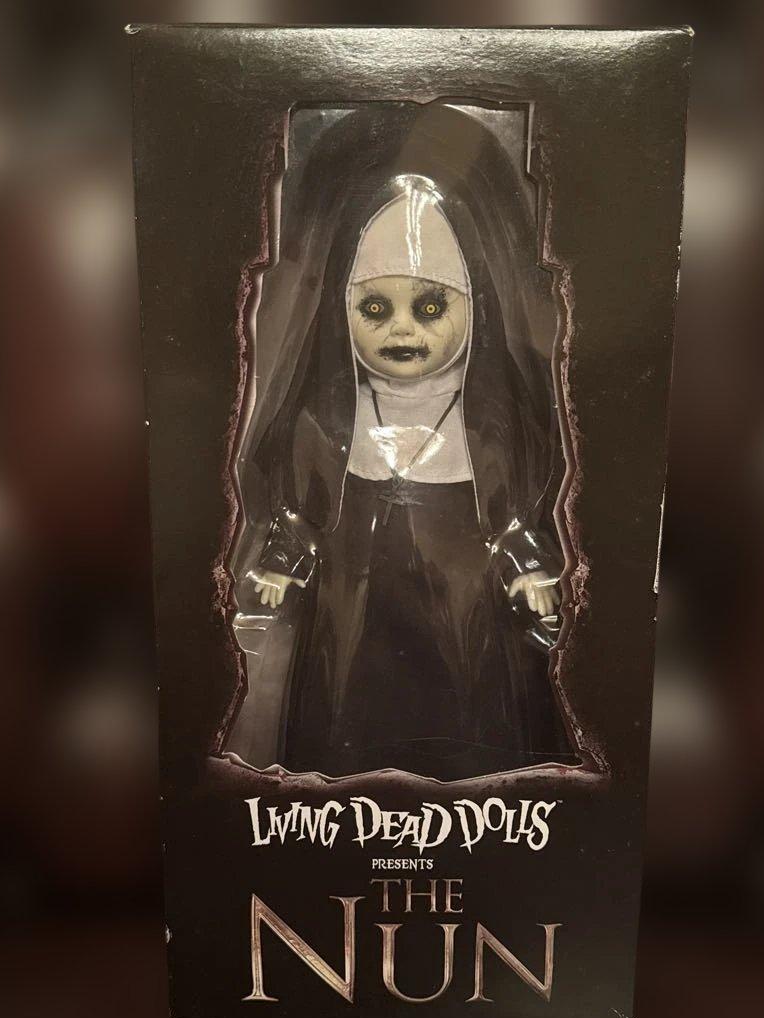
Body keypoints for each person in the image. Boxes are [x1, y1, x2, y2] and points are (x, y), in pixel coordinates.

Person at [235, 106, 576, 780]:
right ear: (342, 309)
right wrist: (281, 563)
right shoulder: (324, 422)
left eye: (429, 307)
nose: (402, 330)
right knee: (347, 716)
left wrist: (528, 567)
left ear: (474, 307)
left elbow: (518, 509)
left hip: (467, 613)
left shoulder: (496, 424)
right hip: (353, 609)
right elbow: (301, 509)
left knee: (471, 715)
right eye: (375, 308)